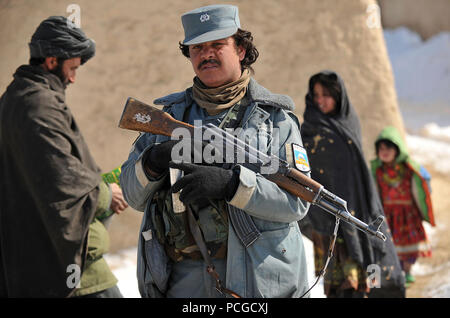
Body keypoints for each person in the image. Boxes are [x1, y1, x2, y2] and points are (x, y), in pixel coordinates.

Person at [120, 4, 311, 298]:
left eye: (217, 45)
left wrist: (232, 185)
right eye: (197, 48)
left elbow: (297, 203)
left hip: (256, 281)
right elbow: (133, 195)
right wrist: (154, 161)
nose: (206, 54)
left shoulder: (275, 121)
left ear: (241, 50)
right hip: (185, 280)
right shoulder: (169, 118)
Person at [0, 16, 128, 297]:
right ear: (51, 61)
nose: (73, 78)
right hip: (67, 267)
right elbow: (62, 179)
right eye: (72, 68)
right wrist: (108, 194)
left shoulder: (16, 98)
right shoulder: (36, 105)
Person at [299, 70, 405, 298]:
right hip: (325, 219)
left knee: (359, 284)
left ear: (338, 95)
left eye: (326, 94)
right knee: (336, 286)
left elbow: (355, 171)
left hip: (356, 215)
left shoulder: (349, 122)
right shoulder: (308, 131)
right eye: (316, 94)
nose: (320, 100)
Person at [371, 126, 434, 287]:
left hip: (408, 214)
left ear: (398, 150)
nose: (384, 152)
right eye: (381, 148)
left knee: (410, 244)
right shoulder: (376, 170)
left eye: (389, 148)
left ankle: (408, 271)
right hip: (388, 214)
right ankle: (398, 271)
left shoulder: (409, 168)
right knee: (393, 245)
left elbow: (422, 181)